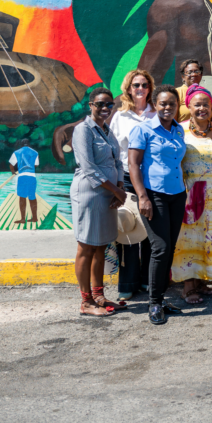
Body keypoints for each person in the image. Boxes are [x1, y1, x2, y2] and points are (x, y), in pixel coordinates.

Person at [129, 85, 187, 325]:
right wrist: (143, 197)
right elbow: (133, 165)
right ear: (155, 104)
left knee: (170, 248)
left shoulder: (178, 131)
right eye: (163, 103)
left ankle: (161, 300)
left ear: (177, 106)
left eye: (171, 104)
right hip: (154, 195)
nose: (167, 108)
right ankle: (153, 303)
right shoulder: (142, 130)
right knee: (160, 248)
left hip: (177, 194)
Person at [171, 85, 212, 304]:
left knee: (210, 237)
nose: (202, 109)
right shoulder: (180, 130)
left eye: (206, 104)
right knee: (190, 238)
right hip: (191, 195)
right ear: (189, 106)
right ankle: (188, 286)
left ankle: (202, 280)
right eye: (197, 105)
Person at [71, 88, 127, 316]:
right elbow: (89, 167)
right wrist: (116, 190)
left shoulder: (107, 131)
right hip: (89, 193)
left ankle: (98, 295)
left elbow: (118, 161)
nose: (105, 109)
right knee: (87, 246)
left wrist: (120, 188)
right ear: (90, 105)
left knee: (101, 246)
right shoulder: (82, 130)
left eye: (109, 105)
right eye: (100, 104)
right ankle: (86, 302)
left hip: (109, 193)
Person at [108, 69, 156, 301]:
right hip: (127, 177)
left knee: (149, 229)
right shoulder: (120, 116)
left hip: (152, 178)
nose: (140, 89)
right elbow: (115, 151)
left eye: (144, 85)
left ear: (150, 88)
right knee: (127, 228)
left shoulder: (156, 114)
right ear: (128, 89)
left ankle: (148, 280)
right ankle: (127, 283)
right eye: (136, 85)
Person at [9, 138, 40, 226]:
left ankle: (23, 219)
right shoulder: (35, 152)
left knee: (22, 197)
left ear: (21, 144)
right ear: (29, 144)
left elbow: (11, 164)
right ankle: (34, 217)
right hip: (32, 176)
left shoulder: (17, 152)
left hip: (22, 176)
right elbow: (36, 164)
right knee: (32, 197)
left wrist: (13, 172)